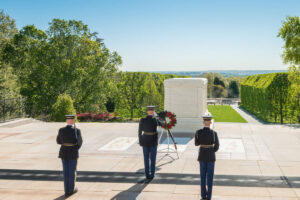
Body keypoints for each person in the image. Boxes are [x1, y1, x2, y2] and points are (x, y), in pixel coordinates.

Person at [195, 112, 219, 200]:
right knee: (210, 177)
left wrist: (197, 136)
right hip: (210, 157)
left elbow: (196, 144)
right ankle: (209, 196)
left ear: (203, 122)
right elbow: (217, 146)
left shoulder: (199, 132)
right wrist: (211, 151)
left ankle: (203, 195)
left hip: (202, 156)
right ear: (210, 122)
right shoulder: (214, 133)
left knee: (202, 177)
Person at [56, 114, 83, 197]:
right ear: (73, 121)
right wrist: (75, 148)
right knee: (71, 172)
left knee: (65, 172)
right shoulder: (76, 130)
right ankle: (71, 190)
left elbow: (58, 141)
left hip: (63, 152)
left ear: (67, 121)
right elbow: (80, 142)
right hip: (72, 152)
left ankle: (66, 190)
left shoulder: (61, 130)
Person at [138, 106, 161, 183]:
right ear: (148, 111)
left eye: (152, 110)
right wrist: (140, 141)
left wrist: (141, 141)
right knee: (148, 158)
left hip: (148, 140)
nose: (151, 111)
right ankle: (148, 174)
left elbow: (161, 124)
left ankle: (150, 174)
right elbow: (139, 132)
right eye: (150, 110)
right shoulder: (150, 120)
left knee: (150, 158)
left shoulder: (153, 120)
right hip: (150, 140)